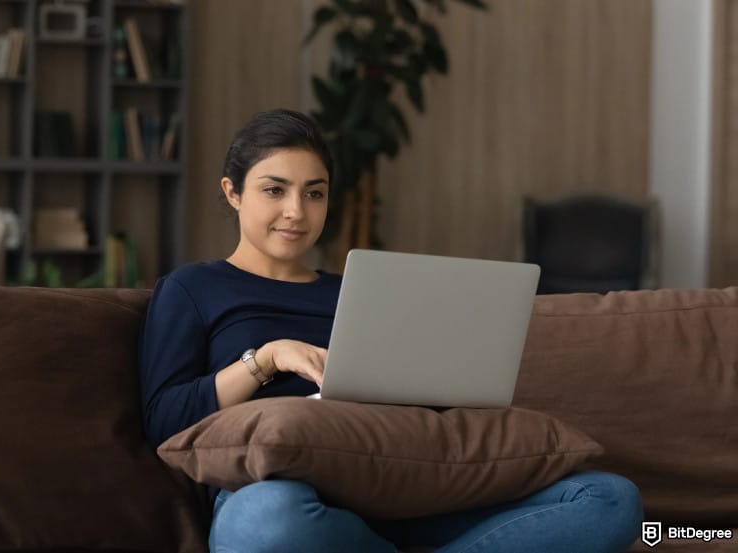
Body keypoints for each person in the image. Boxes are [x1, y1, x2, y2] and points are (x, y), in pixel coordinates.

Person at [138, 109, 643, 553]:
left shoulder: (365, 289)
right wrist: (265, 359)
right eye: (275, 190)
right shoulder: (194, 288)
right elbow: (164, 421)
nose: (297, 211)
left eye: (314, 193)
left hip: (396, 486)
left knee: (610, 500)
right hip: (281, 496)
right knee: (267, 522)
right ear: (232, 192)